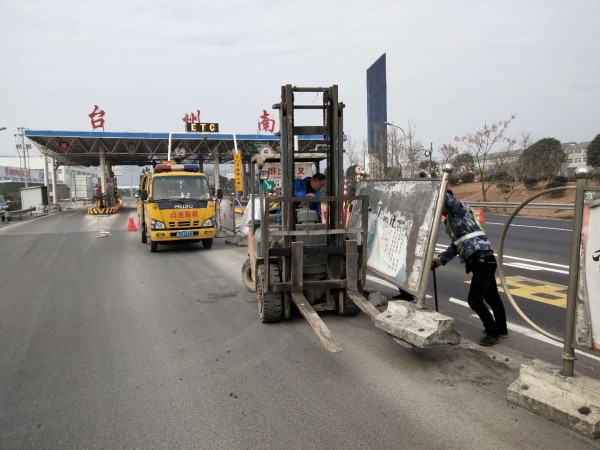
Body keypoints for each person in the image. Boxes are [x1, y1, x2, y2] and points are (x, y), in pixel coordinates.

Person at [432, 190, 508, 346]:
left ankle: (493, 333)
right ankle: (501, 329)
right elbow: (456, 245)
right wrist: (439, 261)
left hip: (482, 259)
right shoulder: (450, 221)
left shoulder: (460, 209)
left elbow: (448, 199)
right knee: (492, 297)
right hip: (480, 260)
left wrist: (439, 186)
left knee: (474, 300)